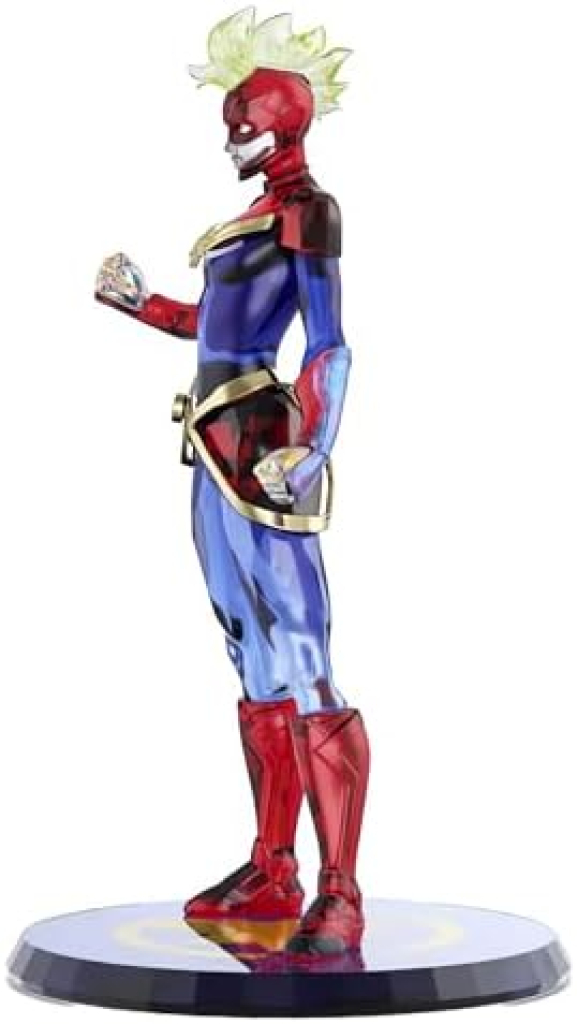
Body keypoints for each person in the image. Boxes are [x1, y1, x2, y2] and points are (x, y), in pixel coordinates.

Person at [95, 8, 370, 956]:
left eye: (243, 128)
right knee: (248, 649)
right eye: (230, 129)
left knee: (302, 651)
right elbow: (214, 329)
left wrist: (315, 445)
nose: (231, 144)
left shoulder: (308, 210)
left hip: (263, 451)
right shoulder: (248, 220)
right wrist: (140, 305)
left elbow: (328, 344)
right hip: (212, 446)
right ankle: (273, 864)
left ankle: (339, 890)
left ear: (281, 124)